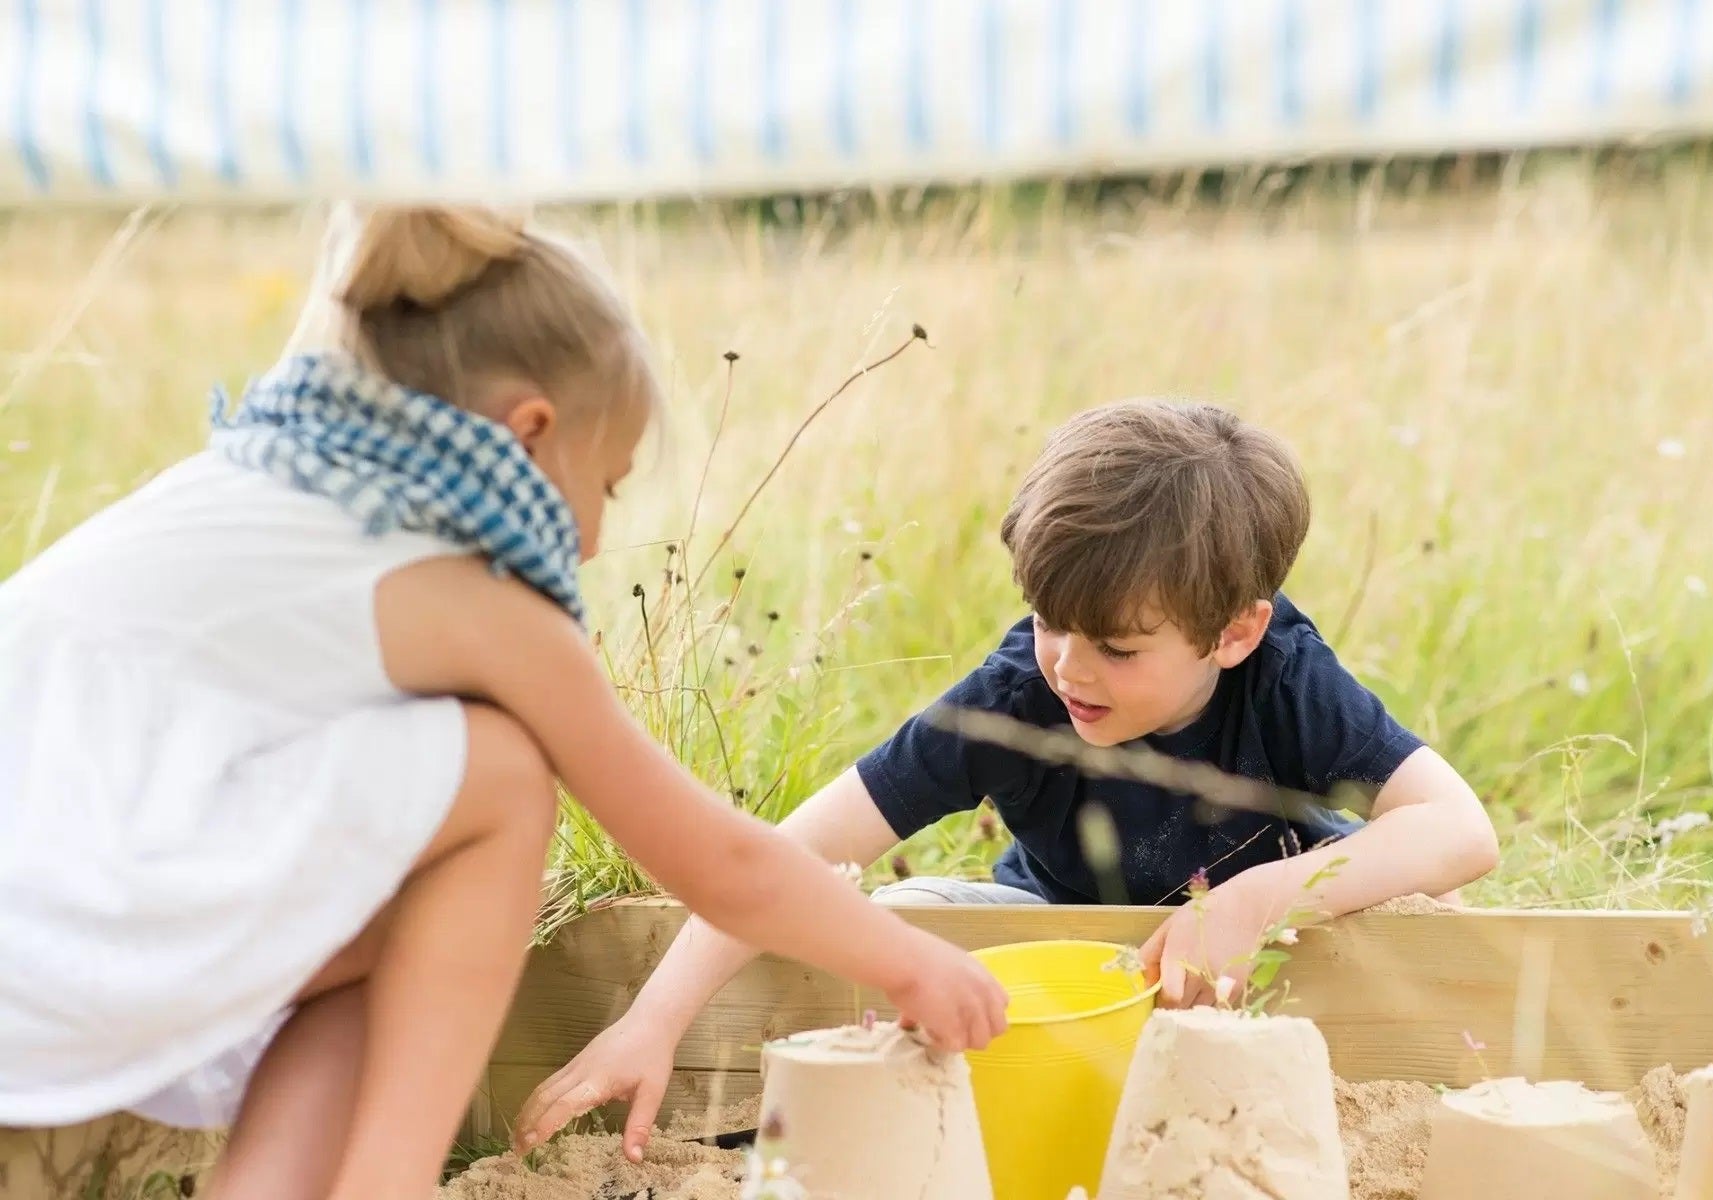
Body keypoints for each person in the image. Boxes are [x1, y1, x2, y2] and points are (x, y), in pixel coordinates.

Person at [0, 207, 1007, 1200]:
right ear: (530, 433)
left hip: (47, 936)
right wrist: (910, 962)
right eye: (605, 488)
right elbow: (718, 862)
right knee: (503, 773)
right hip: (62, 958)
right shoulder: (477, 605)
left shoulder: (252, 486)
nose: (597, 543)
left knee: (394, 910)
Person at [516, 398, 1500, 1159]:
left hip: (1269, 977)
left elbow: (1460, 832)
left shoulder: (1285, 678)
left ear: (1235, 631)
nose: (1070, 667)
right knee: (892, 925)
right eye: (1048, 621)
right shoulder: (1013, 700)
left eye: (1116, 647)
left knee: (1419, 926)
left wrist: (1251, 901)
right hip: (1061, 970)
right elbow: (792, 855)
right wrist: (651, 1023)